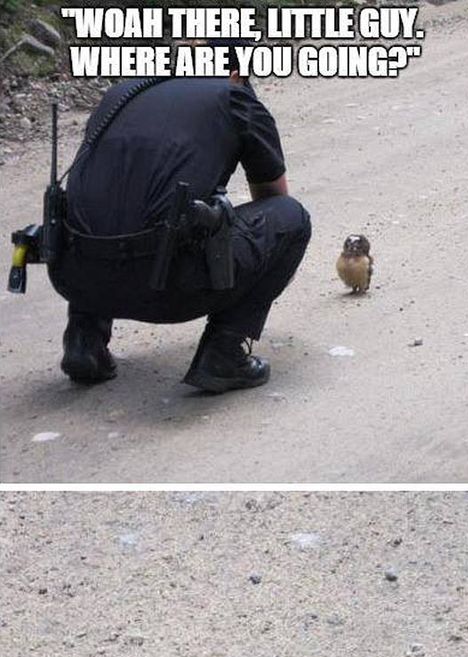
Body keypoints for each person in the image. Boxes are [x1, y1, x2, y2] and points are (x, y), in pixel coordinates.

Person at [51, 43, 312, 394]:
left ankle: (84, 343)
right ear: (237, 73)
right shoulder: (234, 97)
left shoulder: (120, 94)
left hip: (76, 275)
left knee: (109, 206)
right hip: (167, 286)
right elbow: (273, 198)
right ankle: (224, 353)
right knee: (292, 218)